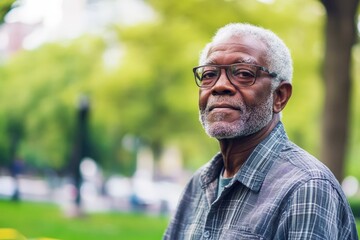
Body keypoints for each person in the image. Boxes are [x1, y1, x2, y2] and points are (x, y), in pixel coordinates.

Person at [164, 23, 358, 239]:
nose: (219, 86)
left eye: (244, 74)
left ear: (280, 96)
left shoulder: (306, 187)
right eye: (209, 74)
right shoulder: (199, 183)